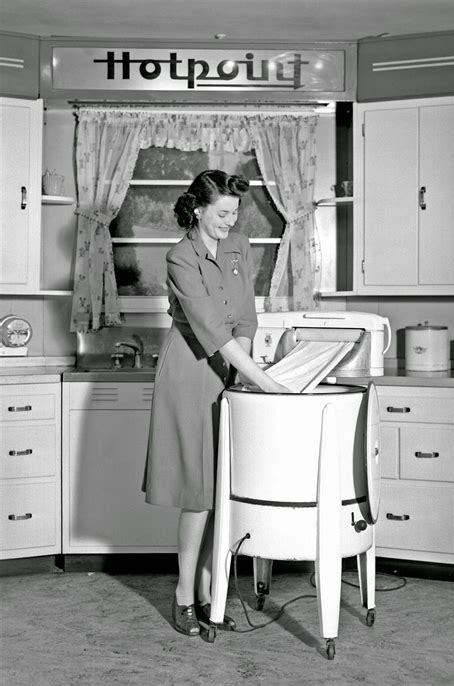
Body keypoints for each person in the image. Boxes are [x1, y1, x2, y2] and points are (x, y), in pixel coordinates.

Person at [143, 169, 288, 637]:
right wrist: (261, 380)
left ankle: (211, 591)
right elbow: (210, 329)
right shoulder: (179, 257)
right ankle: (185, 593)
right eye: (222, 213)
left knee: (222, 491)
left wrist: (244, 370)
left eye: (235, 214)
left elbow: (244, 315)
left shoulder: (239, 246)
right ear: (198, 209)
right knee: (198, 492)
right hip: (189, 373)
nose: (230, 221)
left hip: (230, 367)